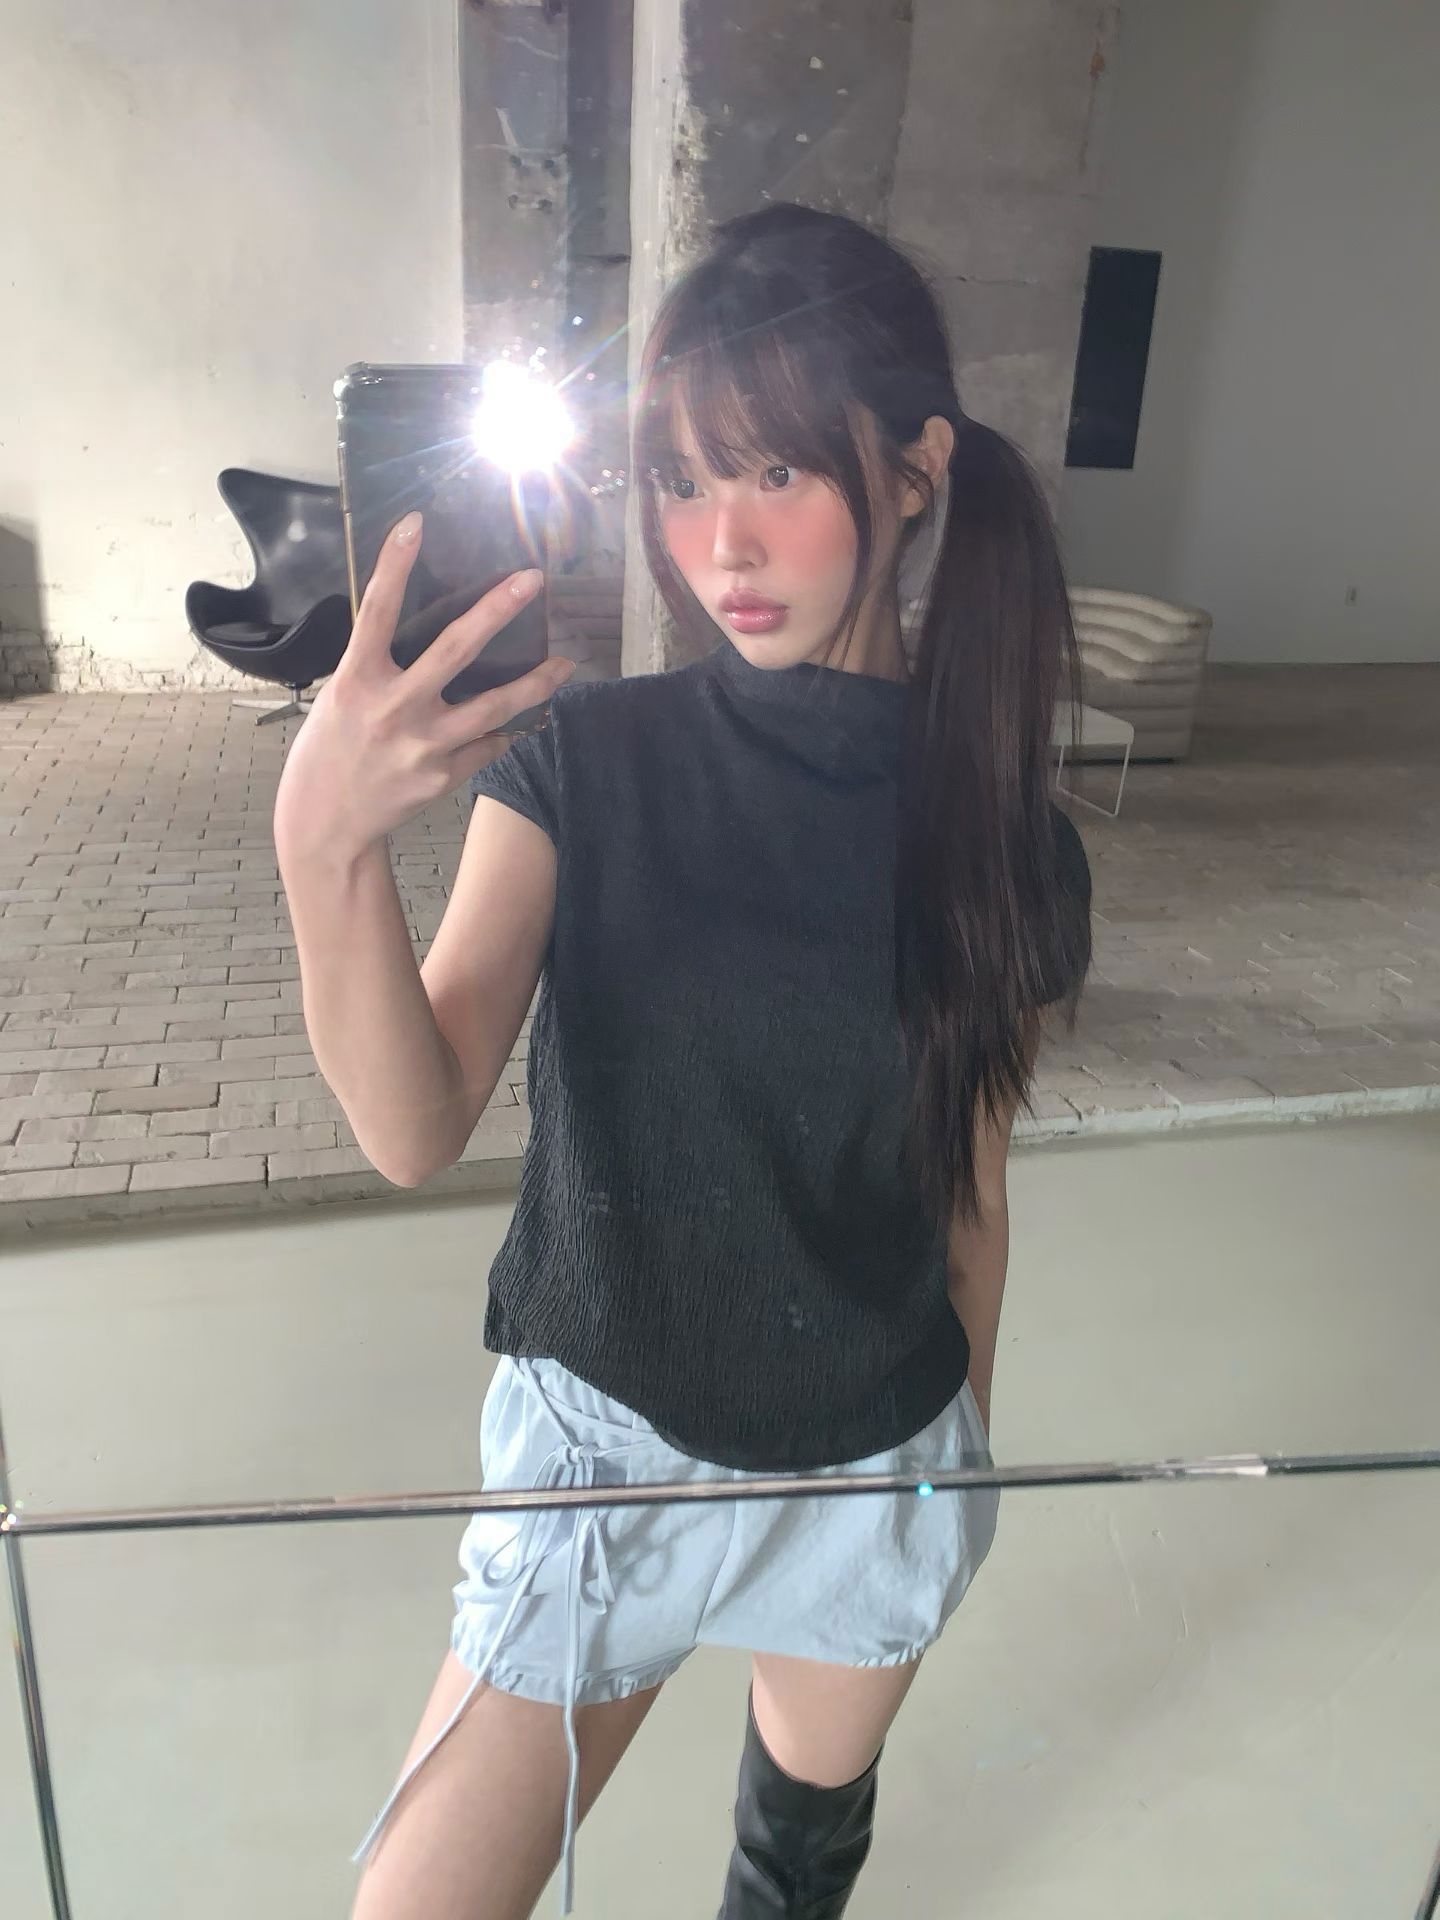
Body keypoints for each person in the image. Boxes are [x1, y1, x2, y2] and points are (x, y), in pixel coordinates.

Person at [274, 203, 1092, 1920]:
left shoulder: (1006, 839)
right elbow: (415, 1125)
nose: (725, 542)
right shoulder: (588, 762)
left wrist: (955, 1453)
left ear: (918, 468)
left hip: (875, 1456)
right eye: (681, 480)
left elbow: (971, 1190)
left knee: (791, 1873)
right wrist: (324, 852)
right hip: (606, 1454)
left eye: (778, 471)